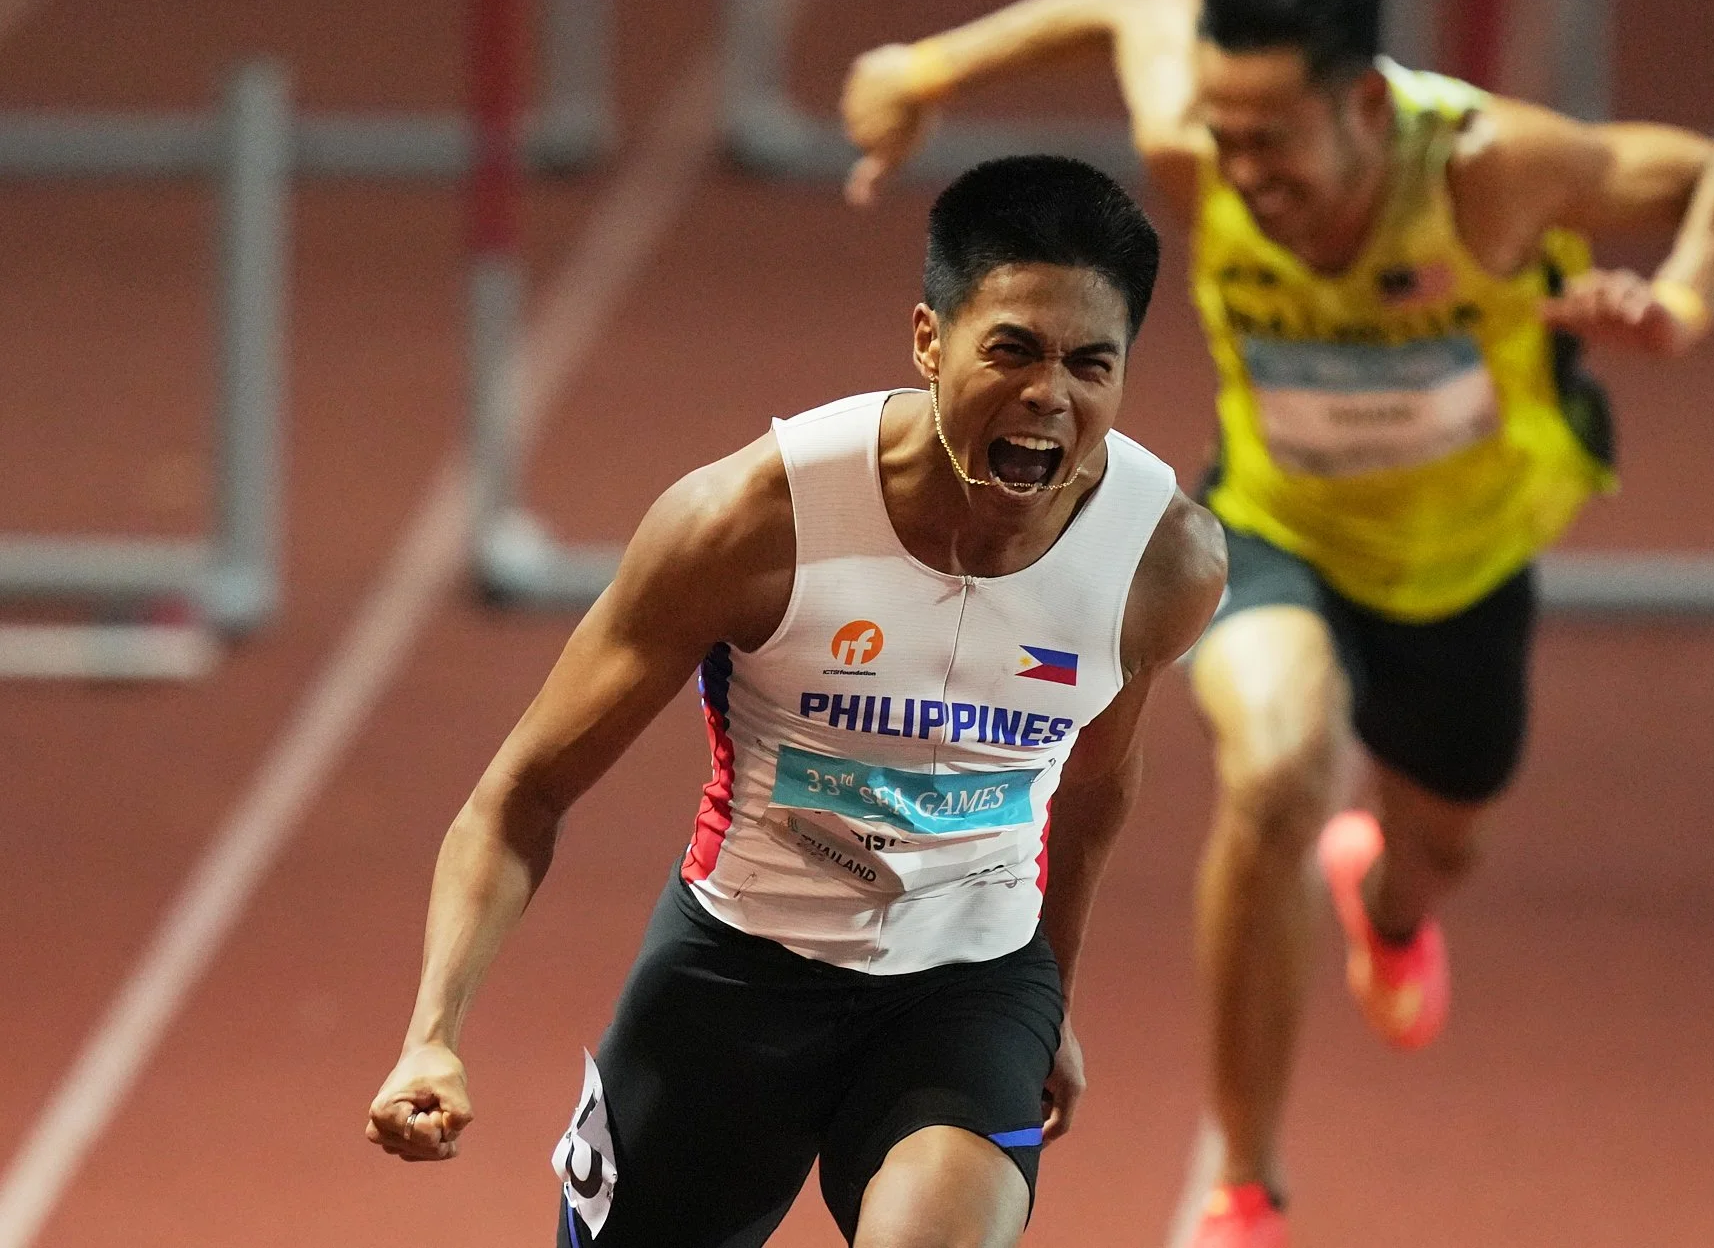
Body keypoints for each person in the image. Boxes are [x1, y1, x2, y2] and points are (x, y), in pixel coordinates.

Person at [840, 0, 1714, 1246]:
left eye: (1273, 141)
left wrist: (1685, 302)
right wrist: (924, 69)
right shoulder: (1204, 148)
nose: (1239, 170)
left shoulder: (1492, 171)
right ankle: (1246, 1181)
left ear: (1363, 101)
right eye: (1224, 136)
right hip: (1276, 524)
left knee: (1441, 838)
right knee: (1281, 764)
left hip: (1465, 564)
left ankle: (1392, 902)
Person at [363, 154, 1227, 1248]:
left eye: (1088, 364)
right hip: (734, 977)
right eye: (1010, 349)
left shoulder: (1159, 564)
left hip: (965, 992)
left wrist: (1045, 997)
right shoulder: (749, 524)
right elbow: (521, 795)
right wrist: (432, 1030)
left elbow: (1092, 795)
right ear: (928, 340)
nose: (1048, 395)